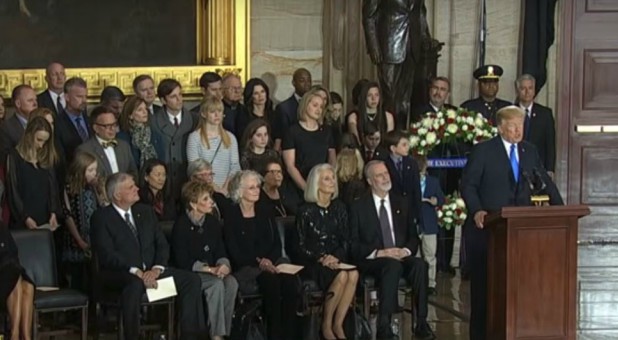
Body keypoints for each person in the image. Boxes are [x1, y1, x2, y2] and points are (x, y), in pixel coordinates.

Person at [461, 105, 563, 340]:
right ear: (500, 127)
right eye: (513, 126)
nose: (519, 130)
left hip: (520, 233)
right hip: (487, 230)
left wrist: (560, 211)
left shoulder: (530, 151)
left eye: (521, 125)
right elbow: (468, 185)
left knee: (519, 288)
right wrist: (477, 210)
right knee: (484, 291)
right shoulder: (483, 151)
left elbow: (545, 182)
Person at [90, 172, 206, 340]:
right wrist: (136, 271)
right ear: (117, 195)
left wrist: (156, 269)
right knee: (134, 285)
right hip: (120, 277)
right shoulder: (101, 217)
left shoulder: (145, 212)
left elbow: (162, 245)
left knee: (191, 280)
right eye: (131, 187)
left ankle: (190, 336)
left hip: (153, 279)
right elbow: (107, 254)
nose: (137, 188)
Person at [349, 160, 435, 340]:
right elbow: (353, 244)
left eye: (386, 173)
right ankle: (384, 326)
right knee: (392, 266)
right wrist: (380, 253)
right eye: (379, 175)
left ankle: (421, 323)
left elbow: (413, 237)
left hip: (400, 255)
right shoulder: (358, 206)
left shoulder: (401, 202)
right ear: (370, 181)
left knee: (420, 265)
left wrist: (405, 250)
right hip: (374, 259)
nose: (385, 177)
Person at [223, 170, 298, 340]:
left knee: (289, 281)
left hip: (271, 262)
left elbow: (276, 244)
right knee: (270, 282)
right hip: (247, 267)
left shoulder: (266, 211)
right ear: (239, 191)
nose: (257, 190)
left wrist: (269, 260)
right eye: (251, 188)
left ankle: (291, 334)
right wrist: (260, 262)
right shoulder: (232, 215)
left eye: (257, 186)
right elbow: (234, 250)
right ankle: (274, 334)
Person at [293, 164, 359, 340]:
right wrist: (321, 257)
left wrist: (335, 257)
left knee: (353, 274)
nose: (332, 182)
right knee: (343, 276)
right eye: (327, 179)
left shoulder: (340, 207)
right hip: (313, 262)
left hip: (336, 259)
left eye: (333, 178)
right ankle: (326, 324)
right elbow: (299, 246)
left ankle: (338, 324)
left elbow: (345, 239)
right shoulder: (305, 211)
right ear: (316, 183)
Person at [172, 181, 238, 340]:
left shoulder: (212, 222)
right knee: (215, 285)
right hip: (191, 274)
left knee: (231, 283)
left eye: (210, 198)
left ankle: (225, 332)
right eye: (206, 199)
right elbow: (182, 261)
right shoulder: (181, 225)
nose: (211, 203)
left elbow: (220, 249)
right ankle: (216, 335)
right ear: (193, 205)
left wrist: (224, 265)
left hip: (213, 270)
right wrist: (209, 269)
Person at [363, 0, 432, 128]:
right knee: (390, 95)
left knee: (405, 98)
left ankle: (401, 132)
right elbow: (368, 16)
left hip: (412, 47)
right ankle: (388, 132)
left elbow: (420, 12)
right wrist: (373, 46)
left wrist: (424, 36)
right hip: (389, 46)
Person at [62, 151, 107, 291]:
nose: (94, 173)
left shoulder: (93, 187)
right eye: (90, 170)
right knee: (77, 277)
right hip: (76, 238)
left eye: (95, 169)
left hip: (93, 237)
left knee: (93, 278)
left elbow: (103, 207)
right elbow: (67, 215)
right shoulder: (69, 188)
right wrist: (79, 240)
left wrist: (101, 189)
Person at [150, 78, 198, 209]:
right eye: (173, 96)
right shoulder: (153, 122)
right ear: (163, 100)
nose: (179, 99)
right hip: (165, 183)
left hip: (187, 180)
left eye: (180, 94)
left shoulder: (194, 119)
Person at [6, 116, 61, 230]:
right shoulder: (14, 157)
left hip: (45, 219)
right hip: (23, 220)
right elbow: (13, 191)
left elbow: (52, 188)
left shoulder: (45, 157)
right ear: (29, 134)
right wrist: (25, 217)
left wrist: (53, 212)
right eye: (39, 140)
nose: (41, 145)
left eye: (45, 141)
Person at [282, 88, 336, 191]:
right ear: (306, 105)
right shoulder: (292, 131)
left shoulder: (326, 131)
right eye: (315, 105)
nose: (318, 109)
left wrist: (328, 181)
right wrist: (307, 189)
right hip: (299, 186)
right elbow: (290, 166)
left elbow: (332, 160)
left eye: (321, 107)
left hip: (322, 186)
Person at [187, 96, 240, 189]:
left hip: (228, 190)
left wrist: (225, 189)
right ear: (203, 114)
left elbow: (235, 166)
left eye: (219, 111)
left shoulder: (230, 137)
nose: (217, 115)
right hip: (204, 189)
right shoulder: (195, 138)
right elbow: (195, 169)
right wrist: (216, 189)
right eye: (212, 112)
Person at [77, 106, 137, 178]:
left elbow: (133, 173)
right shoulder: (85, 150)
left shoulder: (124, 146)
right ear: (96, 128)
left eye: (114, 124)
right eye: (107, 126)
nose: (112, 129)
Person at [515, 74, 556, 175]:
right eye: (523, 88)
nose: (527, 92)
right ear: (517, 90)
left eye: (530, 88)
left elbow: (550, 143)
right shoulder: (510, 111)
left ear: (534, 90)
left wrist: (550, 169)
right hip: (515, 165)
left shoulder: (545, 113)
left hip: (538, 166)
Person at [416, 156, 445, 295]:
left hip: (429, 222)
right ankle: (415, 282)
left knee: (430, 255)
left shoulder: (433, 182)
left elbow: (441, 198)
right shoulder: (409, 181)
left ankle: (431, 283)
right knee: (414, 255)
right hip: (414, 222)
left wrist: (436, 201)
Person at [0, 224, 35, 340]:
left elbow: (13, 254)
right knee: (14, 276)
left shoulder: (3, 229)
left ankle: (25, 336)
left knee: (27, 286)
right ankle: (14, 335)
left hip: (9, 273)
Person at [383, 130, 423, 226]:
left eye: (407, 144)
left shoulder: (412, 163)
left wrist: (417, 214)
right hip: (392, 212)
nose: (407, 147)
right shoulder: (384, 164)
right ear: (393, 148)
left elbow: (416, 190)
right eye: (404, 145)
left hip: (410, 213)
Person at [273, 68, 312, 151]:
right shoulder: (283, 108)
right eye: (302, 80)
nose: (307, 84)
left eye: (309, 80)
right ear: (293, 83)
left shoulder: (316, 106)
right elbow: (281, 136)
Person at [55, 77, 92, 163]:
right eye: (79, 96)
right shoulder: (58, 123)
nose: (84, 100)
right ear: (67, 97)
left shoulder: (91, 121)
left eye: (85, 96)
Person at [117, 96, 159, 168]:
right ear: (130, 115)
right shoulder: (122, 137)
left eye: (145, 109)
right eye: (140, 110)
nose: (144, 112)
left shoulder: (154, 133)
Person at [0, 84, 38, 166]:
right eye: (30, 100)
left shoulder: (41, 123)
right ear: (18, 103)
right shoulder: (6, 128)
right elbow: (6, 159)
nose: (35, 104)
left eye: (35, 100)